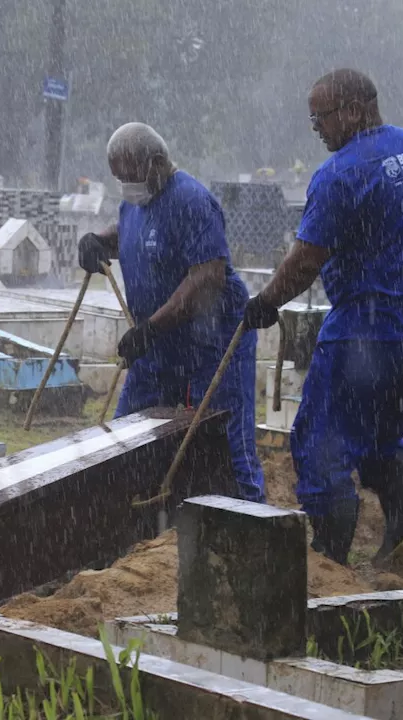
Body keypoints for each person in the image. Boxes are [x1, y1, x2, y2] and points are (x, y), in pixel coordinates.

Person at [242, 69, 403, 567]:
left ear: (355, 110)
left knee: (320, 441)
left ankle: (329, 558)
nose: (315, 126)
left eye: (321, 116)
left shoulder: (340, 173)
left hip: (364, 334)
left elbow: (306, 260)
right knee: (380, 430)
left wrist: (266, 301)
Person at [77, 123, 265, 503]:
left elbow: (207, 278)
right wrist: (100, 241)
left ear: (158, 162)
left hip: (211, 345)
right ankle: (135, 524)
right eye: (119, 180)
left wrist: (151, 328)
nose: (127, 187)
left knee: (225, 442)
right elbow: (135, 231)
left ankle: (249, 523)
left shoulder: (193, 202)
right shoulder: (136, 201)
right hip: (158, 347)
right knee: (127, 437)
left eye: (131, 177)